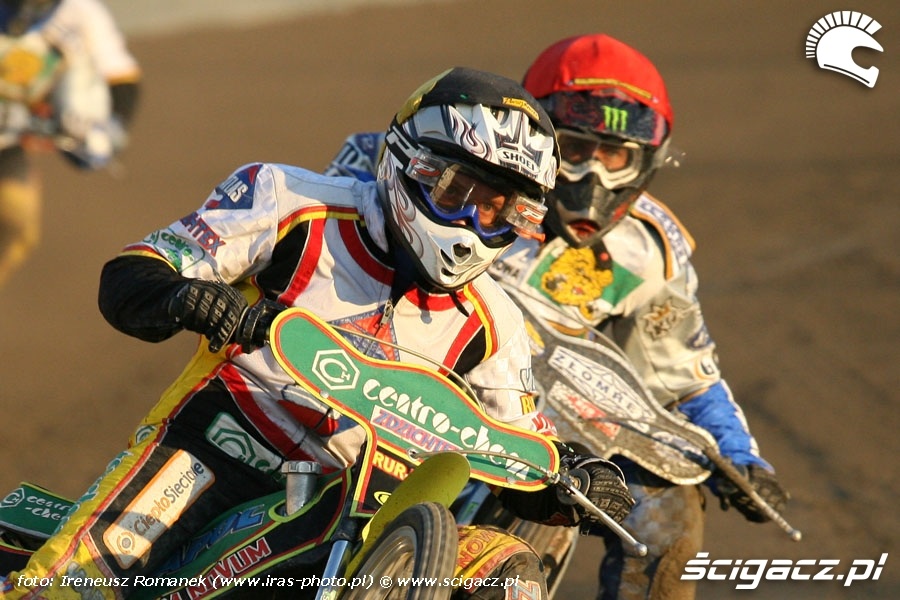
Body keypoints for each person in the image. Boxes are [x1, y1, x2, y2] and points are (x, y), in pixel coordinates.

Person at [2, 67, 634, 600]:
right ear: (409, 163)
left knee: (508, 573)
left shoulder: (495, 323)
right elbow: (132, 275)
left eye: (499, 207)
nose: (473, 219)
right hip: (215, 450)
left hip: (368, 503)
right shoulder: (290, 201)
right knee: (69, 589)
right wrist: (191, 297)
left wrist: (576, 485)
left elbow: (519, 455)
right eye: (457, 190)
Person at [324, 35, 791, 600]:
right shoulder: (412, 153)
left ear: (645, 161)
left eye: (615, 156)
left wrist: (739, 455)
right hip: (378, 376)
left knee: (668, 513)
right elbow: (319, 244)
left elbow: (683, 371)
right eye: (575, 147)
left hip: (533, 430)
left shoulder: (649, 249)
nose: (594, 174)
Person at [0, 0, 140, 287]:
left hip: (7, 141)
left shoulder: (81, 14)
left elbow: (121, 78)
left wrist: (109, 130)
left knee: (15, 225)